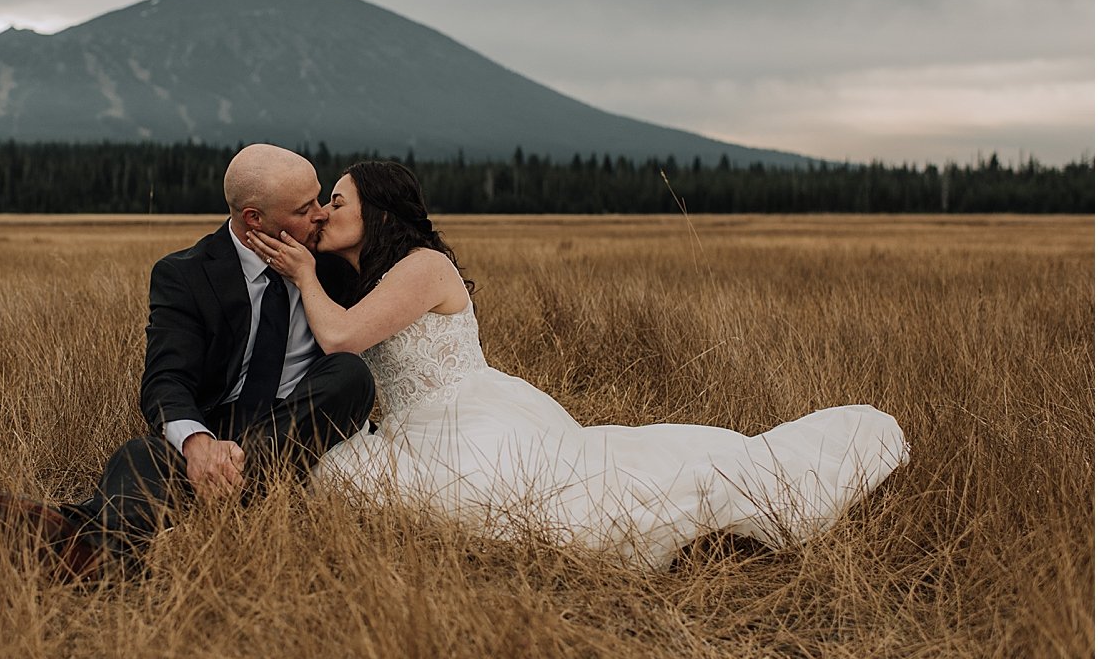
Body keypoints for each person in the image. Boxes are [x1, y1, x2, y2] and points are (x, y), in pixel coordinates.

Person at [244, 160, 907, 570]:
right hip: (418, 423)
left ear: (379, 210)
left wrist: (304, 272)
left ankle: (731, 516)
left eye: (337, 199)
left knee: (525, 503)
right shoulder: (361, 272)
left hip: (470, 413)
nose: (325, 211)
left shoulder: (423, 267)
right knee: (352, 482)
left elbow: (341, 339)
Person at [0, 144, 375, 580]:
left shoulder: (333, 263)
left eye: (319, 198)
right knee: (141, 456)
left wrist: (308, 276)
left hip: (299, 418)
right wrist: (199, 445)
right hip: (219, 423)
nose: (320, 214)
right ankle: (107, 558)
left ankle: (75, 527)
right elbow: (166, 379)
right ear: (254, 218)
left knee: (350, 374)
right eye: (303, 208)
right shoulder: (185, 273)